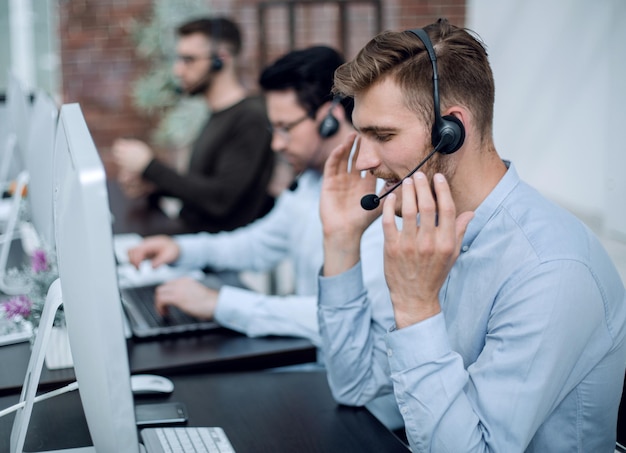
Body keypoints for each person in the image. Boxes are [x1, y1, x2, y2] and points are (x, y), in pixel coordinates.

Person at [317, 18, 626, 452]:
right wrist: (341, 241)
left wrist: (415, 306)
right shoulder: (430, 234)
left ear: (451, 131)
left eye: (382, 135)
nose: (363, 161)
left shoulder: (551, 269)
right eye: (360, 135)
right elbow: (355, 385)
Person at [125, 46, 393, 352]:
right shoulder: (309, 182)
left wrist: (219, 303)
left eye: (285, 128)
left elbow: (343, 316)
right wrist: (181, 249)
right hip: (320, 358)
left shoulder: (377, 197)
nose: (277, 144)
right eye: (273, 128)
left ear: (328, 117)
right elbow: (258, 244)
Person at [112, 17, 275, 233]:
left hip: (217, 254)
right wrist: (153, 186)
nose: (178, 70)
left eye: (188, 60)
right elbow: (202, 188)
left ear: (221, 59)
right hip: (193, 239)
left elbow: (221, 200)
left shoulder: (250, 118)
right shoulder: (219, 114)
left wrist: (150, 166)